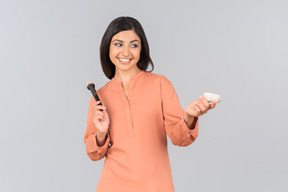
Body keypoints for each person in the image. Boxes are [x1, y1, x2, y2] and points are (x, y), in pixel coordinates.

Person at [84, 16, 217, 192]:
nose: (125, 52)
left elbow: (181, 138)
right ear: (107, 47)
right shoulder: (99, 96)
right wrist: (101, 134)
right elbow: (94, 154)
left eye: (133, 45)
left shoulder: (161, 85)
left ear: (142, 49)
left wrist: (188, 117)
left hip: (156, 186)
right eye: (118, 44)